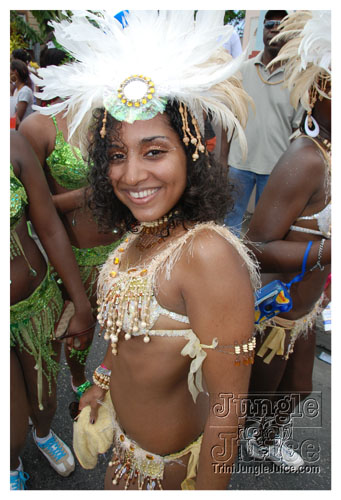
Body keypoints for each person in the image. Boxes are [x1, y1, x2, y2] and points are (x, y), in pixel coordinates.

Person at [33, 10, 260, 490]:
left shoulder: (207, 256)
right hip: (127, 454)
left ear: (191, 152)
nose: (131, 175)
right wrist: (102, 382)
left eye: (154, 151)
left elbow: (227, 411)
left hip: (172, 474)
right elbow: (129, 333)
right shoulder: (143, 233)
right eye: (117, 154)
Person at [243, 10, 331, 470]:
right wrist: (326, 250)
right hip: (275, 310)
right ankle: (222, 449)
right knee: (255, 392)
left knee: (298, 389)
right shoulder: (306, 158)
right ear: (320, 91)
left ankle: (260, 440)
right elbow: (253, 247)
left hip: (305, 308)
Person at [20, 48, 123, 399]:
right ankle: (80, 382)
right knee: (80, 330)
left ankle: (118, 382)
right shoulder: (38, 126)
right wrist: (86, 195)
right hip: (76, 254)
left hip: (124, 247)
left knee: (126, 324)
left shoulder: (114, 115)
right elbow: (31, 208)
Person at [10, 130, 94, 489]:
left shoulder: (12, 144)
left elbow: (48, 226)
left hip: (35, 305)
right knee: (10, 423)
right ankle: (12, 465)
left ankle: (43, 435)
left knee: (45, 401)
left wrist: (80, 301)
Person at [223, 10, 304, 236]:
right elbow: (229, 117)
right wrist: (223, 158)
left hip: (276, 168)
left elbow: (299, 131)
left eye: (281, 25)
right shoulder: (242, 70)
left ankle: (255, 269)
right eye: (270, 23)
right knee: (229, 224)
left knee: (265, 228)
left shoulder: (297, 77)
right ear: (262, 31)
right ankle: (227, 266)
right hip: (239, 164)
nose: (275, 29)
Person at [10, 59, 35, 128]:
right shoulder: (16, 90)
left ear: (15, 72)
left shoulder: (24, 91)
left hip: (23, 130)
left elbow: (17, 118)